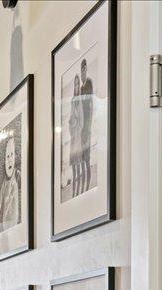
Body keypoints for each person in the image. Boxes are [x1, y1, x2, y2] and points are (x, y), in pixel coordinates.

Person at [0, 132, 20, 233]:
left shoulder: (17, 175)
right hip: (4, 224)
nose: (10, 159)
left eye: (12, 155)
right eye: (7, 157)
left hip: (13, 221)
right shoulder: (4, 184)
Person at [78, 58, 94, 193]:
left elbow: (91, 104)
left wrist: (88, 126)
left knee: (86, 158)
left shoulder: (88, 83)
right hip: (82, 127)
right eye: (81, 69)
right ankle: (84, 187)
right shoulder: (81, 88)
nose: (83, 71)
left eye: (84, 68)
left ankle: (88, 184)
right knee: (82, 158)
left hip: (86, 125)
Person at [68, 75, 83, 197]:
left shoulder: (81, 100)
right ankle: (74, 191)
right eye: (75, 84)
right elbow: (70, 119)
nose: (76, 86)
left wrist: (76, 123)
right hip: (74, 135)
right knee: (74, 164)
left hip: (78, 135)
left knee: (79, 163)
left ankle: (80, 191)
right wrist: (72, 123)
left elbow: (82, 120)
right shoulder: (73, 100)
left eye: (78, 84)